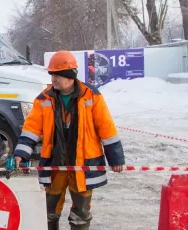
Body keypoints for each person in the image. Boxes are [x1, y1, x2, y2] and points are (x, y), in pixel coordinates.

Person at [13, 50, 125, 230]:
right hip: (55, 164)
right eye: (52, 75)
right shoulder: (44, 98)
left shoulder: (91, 96)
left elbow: (106, 128)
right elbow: (31, 129)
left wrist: (116, 159)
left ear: (69, 76)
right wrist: (21, 154)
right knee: (48, 211)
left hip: (82, 165)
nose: (53, 79)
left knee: (81, 212)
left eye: (57, 75)